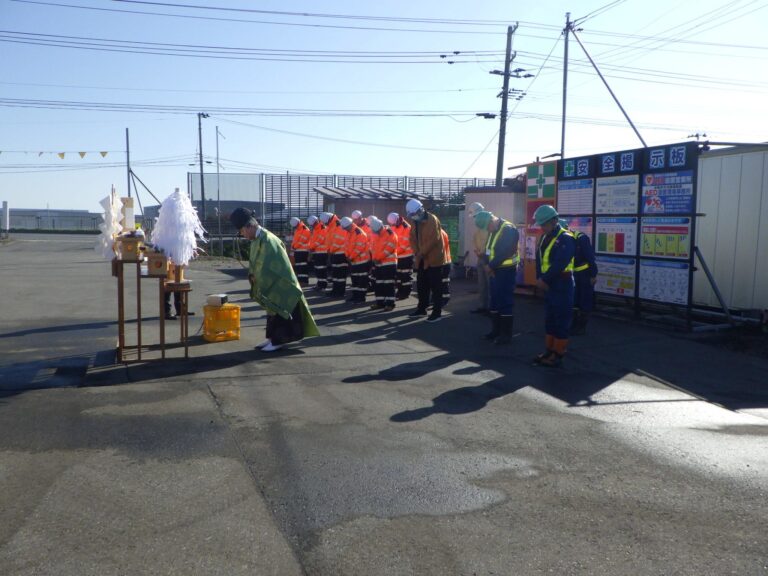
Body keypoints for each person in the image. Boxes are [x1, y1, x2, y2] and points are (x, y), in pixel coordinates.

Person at [229, 207, 319, 352]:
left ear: (250, 226)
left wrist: (258, 278)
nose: (243, 235)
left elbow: (271, 266)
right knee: (272, 312)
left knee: (280, 310)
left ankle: (279, 341)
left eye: (242, 231)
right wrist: (253, 275)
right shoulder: (258, 239)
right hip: (269, 282)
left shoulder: (268, 239)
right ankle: (271, 338)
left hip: (281, 282)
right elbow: (256, 263)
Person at [533, 205, 575, 367]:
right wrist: (539, 278)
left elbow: (560, 263)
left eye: (544, 224)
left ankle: (558, 354)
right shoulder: (545, 237)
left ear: (555, 221)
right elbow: (539, 259)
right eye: (541, 224)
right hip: (549, 284)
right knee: (550, 319)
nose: (542, 227)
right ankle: (549, 350)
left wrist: (544, 279)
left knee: (561, 320)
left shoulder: (566, 238)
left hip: (562, 284)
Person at [474, 211, 520, 345]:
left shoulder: (508, 229)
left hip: (506, 271)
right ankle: (495, 331)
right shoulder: (493, 230)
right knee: (494, 301)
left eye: (487, 227)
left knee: (505, 301)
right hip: (495, 271)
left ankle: (506, 335)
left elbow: (507, 251)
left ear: (491, 221)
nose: (487, 230)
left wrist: (490, 266)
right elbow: (489, 250)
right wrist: (488, 263)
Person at [406, 199, 445, 323]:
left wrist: (421, 253)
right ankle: (421, 308)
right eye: (411, 215)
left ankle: (437, 312)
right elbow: (411, 238)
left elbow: (434, 239)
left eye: (414, 214)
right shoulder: (415, 222)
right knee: (422, 286)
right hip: (421, 259)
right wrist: (416, 252)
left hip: (434, 260)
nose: (413, 217)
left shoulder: (432, 220)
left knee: (436, 287)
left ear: (421, 209)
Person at [567, 222, 598, 335]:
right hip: (573, 275)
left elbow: (591, 258)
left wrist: (593, 275)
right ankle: (574, 325)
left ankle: (581, 327)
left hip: (585, 275)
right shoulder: (566, 239)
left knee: (584, 300)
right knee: (575, 300)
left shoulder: (582, 239)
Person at [369, 216, 398, 311]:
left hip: (389, 264)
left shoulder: (390, 234)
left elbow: (389, 248)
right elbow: (372, 248)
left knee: (388, 284)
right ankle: (380, 303)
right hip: (378, 263)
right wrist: (374, 259)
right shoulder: (375, 233)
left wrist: (378, 258)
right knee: (379, 284)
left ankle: (390, 304)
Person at [340, 216, 370, 303]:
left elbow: (359, 248)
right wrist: (347, 255)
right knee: (355, 280)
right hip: (354, 261)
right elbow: (346, 245)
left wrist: (350, 257)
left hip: (362, 261)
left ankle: (361, 298)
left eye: (345, 228)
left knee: (361, 281)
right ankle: (355, 296)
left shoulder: (359, 233)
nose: (345, 229)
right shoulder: (349, 232)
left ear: (349, 226)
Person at [468, 201, 490, 314]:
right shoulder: (480, 227)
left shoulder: (489, 224)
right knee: (482, 284)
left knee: (490, 284)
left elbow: (491, 243)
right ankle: (483, 306)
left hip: (489, 259)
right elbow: (477, 240)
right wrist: (477, 251)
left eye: (475, 216)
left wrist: (484, 253)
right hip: (481, 258)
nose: (475, 219)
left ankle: (491, 308)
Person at [387, 212, 413, 300]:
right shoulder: (393, 226)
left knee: (405, 275)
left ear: (398, 220)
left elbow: (404, 245)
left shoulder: (407, 228)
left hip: (406, 256)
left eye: (394, 223)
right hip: (397, 256)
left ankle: (406, 292)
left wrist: (392, 252)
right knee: (398, 276)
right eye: (392, 224)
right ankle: (400, 291)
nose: (393, 225)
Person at [323, 212, 348, 297]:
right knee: (336, 274)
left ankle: (340, 292)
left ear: (329, 220)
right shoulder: (331, 226)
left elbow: (340, 240)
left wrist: (331, 250)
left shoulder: (339, 225)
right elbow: (330, 240)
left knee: (340, 275)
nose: (325, 224)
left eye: (326, 222)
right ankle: (335, 290)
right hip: (334, 253)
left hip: (341, 253)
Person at [289, 216, 312, 286]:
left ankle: (304, 281)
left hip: (303, 251)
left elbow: (302, 241)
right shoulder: (298, 230)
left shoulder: (305, 230)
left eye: (295, 226)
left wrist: (294, 247)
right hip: (298, 251)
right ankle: (301, 280)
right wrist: (293, 248)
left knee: (302, 267)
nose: (294, 228)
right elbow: (296, 240)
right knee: (299, 267)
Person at [308, 214, 328, 292]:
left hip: (322, 252)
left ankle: (322, 285)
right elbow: (313, 240)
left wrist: (311, 247)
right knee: (318, 269)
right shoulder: (316, 229)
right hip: (317, 252)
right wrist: (311, 247)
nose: (312, 226)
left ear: (316, 222)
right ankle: (320, 284)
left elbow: (320, 240)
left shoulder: (322, 228)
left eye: (313, 224)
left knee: (321, 269)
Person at [440, 227, 452, 307]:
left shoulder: (440, 233)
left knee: (443, 281)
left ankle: (445, 298)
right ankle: (442, 298)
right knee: (442, 281)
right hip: (444, 261)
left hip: (443, 261)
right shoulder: (442, 232)